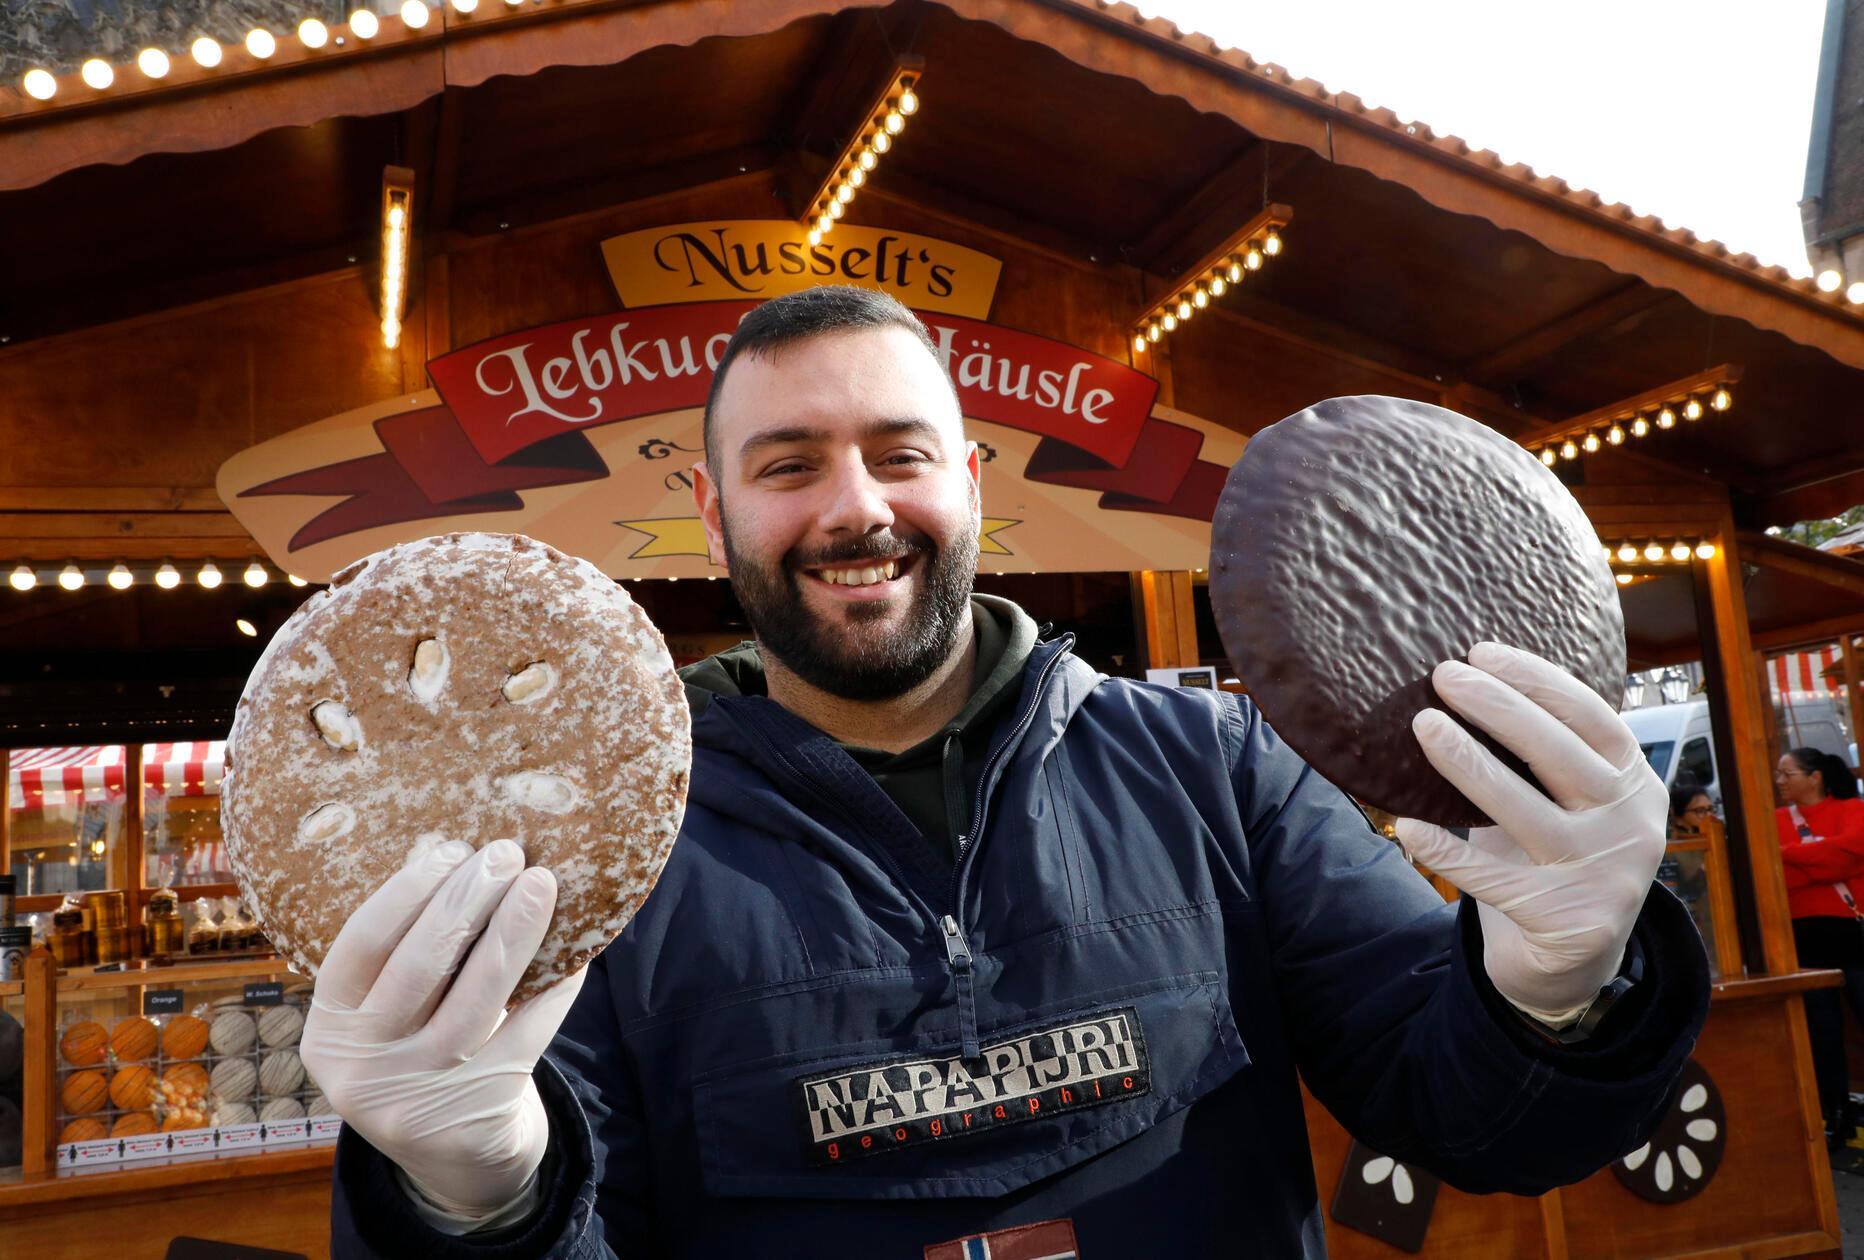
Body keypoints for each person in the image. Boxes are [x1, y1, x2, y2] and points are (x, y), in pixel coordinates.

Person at [310, 286, 1709, 1258]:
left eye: (898, 455)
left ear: (971, 480)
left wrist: (1559, 995)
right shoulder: (610, 861)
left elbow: (1470, 1114)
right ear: (713, 509)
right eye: (788, 464)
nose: (853, 507)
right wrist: (475, 1200)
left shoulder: (1215, 774)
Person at [1774, 746, 1864, 1142]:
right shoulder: (1772, 819)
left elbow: (1850, 859)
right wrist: (1821, 861)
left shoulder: (1852, 809)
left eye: (1787, 774)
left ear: (1815, 777)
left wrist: (1789, 856)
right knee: (1821, 1032)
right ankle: (1837, 1113)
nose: (1779, 782)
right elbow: (1778, 876)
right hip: (1803, 935)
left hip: (1852, 932)